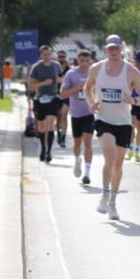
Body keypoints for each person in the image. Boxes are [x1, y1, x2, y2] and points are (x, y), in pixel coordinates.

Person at [83, 35, 140, 220]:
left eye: (116, 48)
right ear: (106, 50)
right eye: (110, 49)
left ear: (122, 49)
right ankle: (104, 195)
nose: (113, 52)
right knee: (110, 158)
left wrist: (135, 100)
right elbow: (87, 88)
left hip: (123, 122)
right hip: (103, 119)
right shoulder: (96, 68)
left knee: (118, 164)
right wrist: (91, 102)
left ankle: (113, 201)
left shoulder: (131, 71)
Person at [61, 49, 95, 185]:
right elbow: (62, 93)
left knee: (88, 142)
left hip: (89, 112)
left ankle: (87, 173)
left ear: (90, 61)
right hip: (76, 114)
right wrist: (78, 88)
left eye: (87, 61)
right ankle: (77, 160)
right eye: (82, 61)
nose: (85, 64)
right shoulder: (71, 74)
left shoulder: (95, 73)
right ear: (78, 60)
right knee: (77, 143)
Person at [26, 45, 62, 163]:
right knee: (41, 127)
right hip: (40, 98)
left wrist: (59, 81)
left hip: (53, 98)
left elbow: (62, 80)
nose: (47, 57)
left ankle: (49, 152)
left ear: (52, 55)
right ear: (41, 55)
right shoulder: (36, 67)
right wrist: (44, 83)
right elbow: (31, 86)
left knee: (50, 124)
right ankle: (43, 147)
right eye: (44, 54)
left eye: (49, 54)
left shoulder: (57, 66)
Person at [55, 50, 71, 148]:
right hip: (56, 94)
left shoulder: (69, 69)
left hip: (66, 95)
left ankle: (63, 137)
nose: (61, 58)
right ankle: (58, 133)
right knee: (58, 117)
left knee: (64, 115)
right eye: (60, 56)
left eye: (63, 56)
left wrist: (61, 80)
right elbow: (55, 80)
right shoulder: (55, 68)